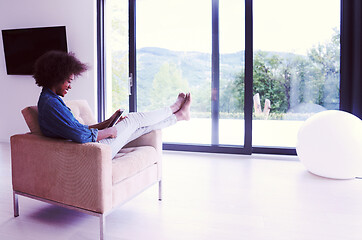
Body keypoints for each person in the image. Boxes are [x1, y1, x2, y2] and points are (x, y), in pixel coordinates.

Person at [33, 51, 191, 158]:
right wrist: (109, 131)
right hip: (92, 152)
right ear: (56, 77)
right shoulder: (50, 104)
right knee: (134, 119)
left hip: (91, 146)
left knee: (139, 127)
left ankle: (178, 116)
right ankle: (173, 108)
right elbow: (80, 135)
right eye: (69, 81)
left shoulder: (51, 100)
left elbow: (77, 129)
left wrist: (107, 123)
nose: (70, 86)